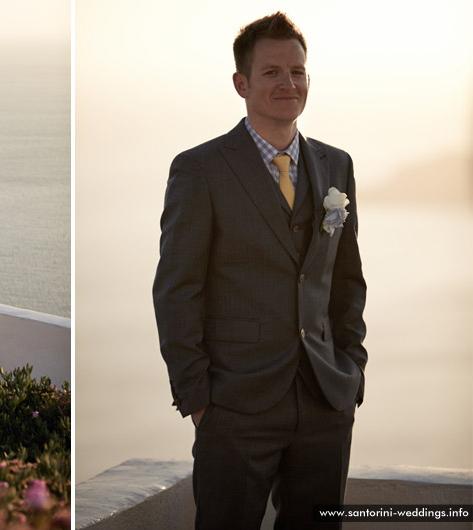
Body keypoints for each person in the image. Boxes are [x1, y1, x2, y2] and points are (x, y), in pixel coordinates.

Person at [152, 12, 366, 529]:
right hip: (235, 406)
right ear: (241, 83)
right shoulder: (200, 169)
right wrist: (201, 402)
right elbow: (177, 291)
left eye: (297, 71)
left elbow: (347, 279)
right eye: (271, 72)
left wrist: (351, 369)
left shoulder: (337, 166)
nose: (288, 83)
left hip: (325, 400)